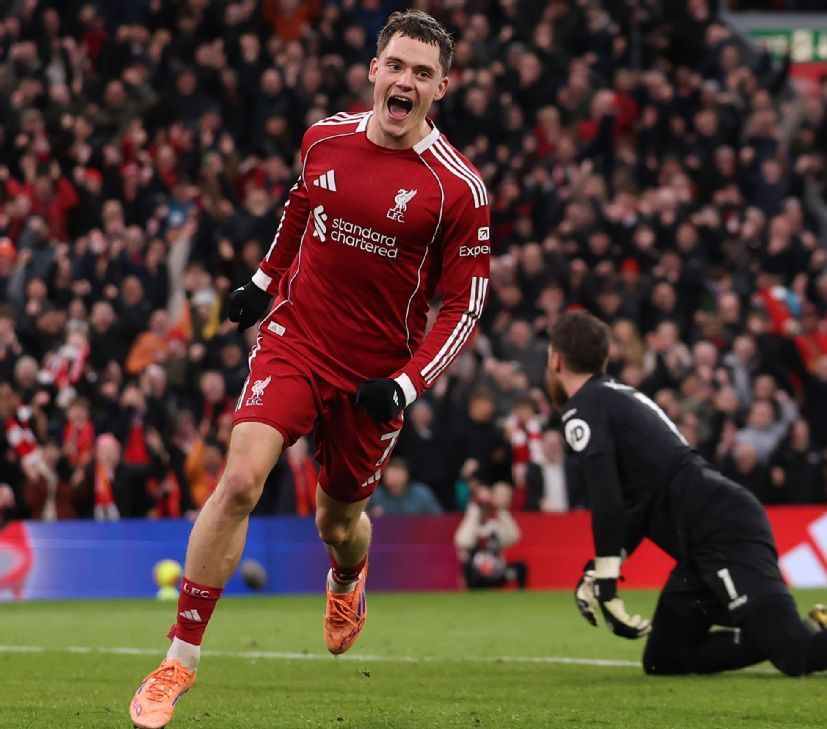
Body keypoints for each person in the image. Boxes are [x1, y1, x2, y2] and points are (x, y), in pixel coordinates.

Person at [129, 11, 491, 728]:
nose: (406, 80)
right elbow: (302, 205)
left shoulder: (458, 189)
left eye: (422, 73)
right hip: (297, 340)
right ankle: (178, 659)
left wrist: (406, 384)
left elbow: (465, 306)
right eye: (396, 65)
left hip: (374, 376)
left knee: (338, 520)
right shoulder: (325, 137)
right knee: (240, 480)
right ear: (374, 70)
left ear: (441, 88)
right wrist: (264, 282)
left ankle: (348, 576)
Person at [548, 311, 827, 680]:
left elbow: (606, 499)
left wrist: (608, 579)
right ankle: (807, 630)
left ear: (555, 359)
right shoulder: (614, 397)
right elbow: (635, 504)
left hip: (719, 530)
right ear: (604, 356)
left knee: (794, 655)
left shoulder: (584, 408)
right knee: (665, 660)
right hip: (704, 536)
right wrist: (600, 568)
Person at [454, 481, 528, 590]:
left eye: (508, 495)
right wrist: (474, 513)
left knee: (521, 567)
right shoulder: (473, 520)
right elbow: (462, 541)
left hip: (497, 571)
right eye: (482, 507)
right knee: (467, 567)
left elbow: (514, 537)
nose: (485, 510)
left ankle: (522, 595)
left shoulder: (498, 523)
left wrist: (501, 511)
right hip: (478, 573)